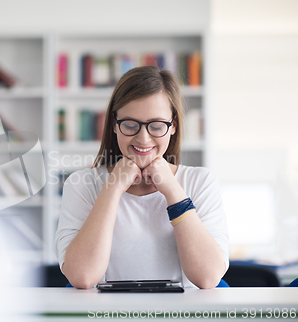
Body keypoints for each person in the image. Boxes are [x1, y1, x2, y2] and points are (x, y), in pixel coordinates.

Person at [55, 66, 229, 289]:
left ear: (173, 126)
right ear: (114, 125)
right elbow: (82, 277)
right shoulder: (83, 185)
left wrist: (173, 191)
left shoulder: (200, 182)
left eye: (156, 126)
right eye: (130, 125)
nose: (143, 138)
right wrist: (113, 187)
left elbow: (207, 278)